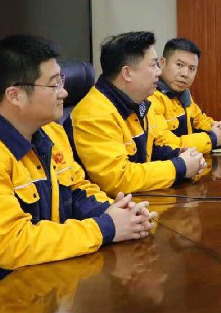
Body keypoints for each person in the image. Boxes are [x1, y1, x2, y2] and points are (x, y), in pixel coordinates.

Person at [0, 35, 154, 313]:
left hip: (34, 288)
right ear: (15, 95)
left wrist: (117, 212)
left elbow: (76, 189)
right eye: (54, 84)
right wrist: (105, 227)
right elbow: (12, 244)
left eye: (62, 80)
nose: (64, 92)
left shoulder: (50, 132)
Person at [69, 31, 205, 196]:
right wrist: (180, 167)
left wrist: (181, 155)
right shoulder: (94, 114)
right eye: (153, 65)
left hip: (139, 200)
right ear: (127, 73)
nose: (159, 72)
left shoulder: (140, 102)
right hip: (109, 207)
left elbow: (154, 148)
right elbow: (118, 179)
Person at [149, 38, 221, 153]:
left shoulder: (183, 94)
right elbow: (166, 143)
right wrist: (213, 139)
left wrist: (219, 128)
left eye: (192, 68)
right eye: (179, 65)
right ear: (162, 62)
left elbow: (199, 120)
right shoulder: (151, 96)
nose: (185, 74)